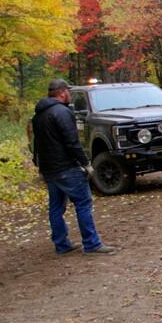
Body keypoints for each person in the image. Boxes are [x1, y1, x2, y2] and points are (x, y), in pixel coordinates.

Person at [32, 79, 115, 256]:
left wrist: (38, 163)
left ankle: (61, 244)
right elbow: (72, 142)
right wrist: (86, 163)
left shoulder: (39, 115)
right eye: (68, 91)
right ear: (62, 92)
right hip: (66, 167)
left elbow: (37, 143)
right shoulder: (62, 112)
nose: (70, 94)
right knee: (83, 203)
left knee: (56, 207)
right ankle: (91, 244)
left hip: (49, 169)